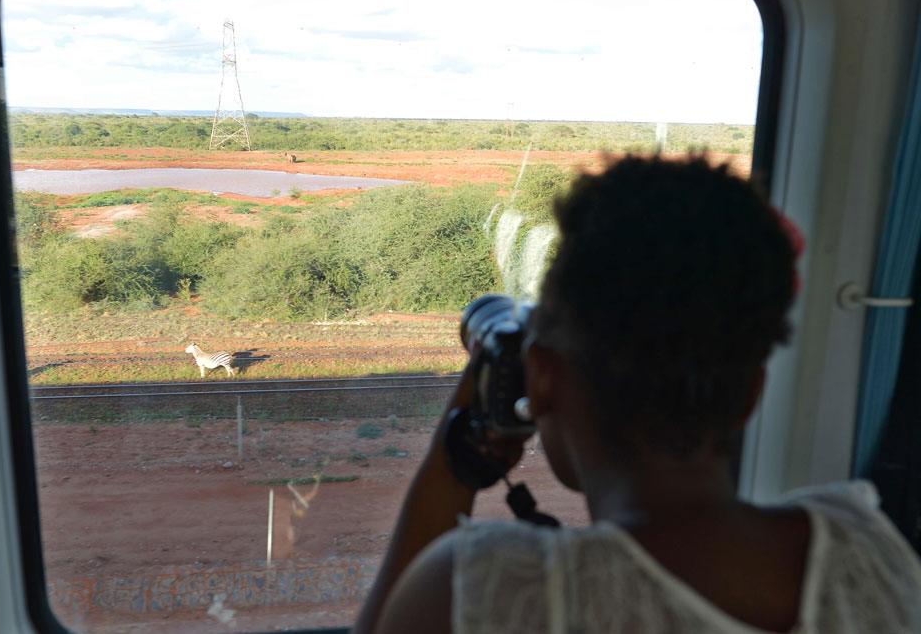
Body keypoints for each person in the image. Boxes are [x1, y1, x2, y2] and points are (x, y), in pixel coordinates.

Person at [353, 155, 921, 634]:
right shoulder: (864, 554)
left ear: (543, 379)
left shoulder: (489, 585)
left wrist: (461, 453)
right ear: (752, 392)